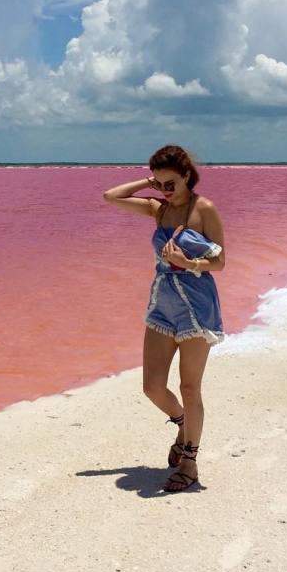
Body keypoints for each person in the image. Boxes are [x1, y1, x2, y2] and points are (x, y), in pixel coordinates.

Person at [102, 145, 225, 493]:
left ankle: (190, 461)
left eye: (171, 183)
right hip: (163, 302)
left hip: (198, 304)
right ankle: (183, 424)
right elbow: (111, 196)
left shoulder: (204, 210)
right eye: (160, 184)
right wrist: (148, 182)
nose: (166, 191)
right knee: (152, 386)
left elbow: (220, 261)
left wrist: (190, 264)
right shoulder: (159, 210)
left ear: (187, 176)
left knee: (189, 387)